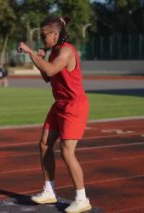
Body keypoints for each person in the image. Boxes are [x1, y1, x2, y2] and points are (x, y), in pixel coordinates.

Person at [18, 15, 91, 213]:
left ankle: (82, 198)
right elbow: (46, 78)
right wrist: (38, 57)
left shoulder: (66, 51)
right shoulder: (55, 52)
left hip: (74, 106)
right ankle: (49, 190)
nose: (43, 40)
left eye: (44, 36)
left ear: (56, 34)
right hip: (59, 104)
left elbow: (50, 71)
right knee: (44, 144)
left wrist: (32, 52)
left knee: (67, 151)